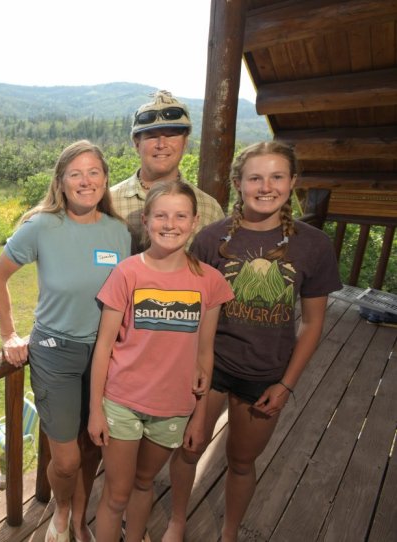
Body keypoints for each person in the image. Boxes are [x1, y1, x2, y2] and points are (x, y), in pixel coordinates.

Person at [163, 141, 342, 542]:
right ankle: (177, 520)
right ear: (239, 184)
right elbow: (192, 311)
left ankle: (229, 533)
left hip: (266, 373)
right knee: (189, 448)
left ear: (292, 182)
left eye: (277, 176)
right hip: (211, 367)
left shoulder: (314, 246)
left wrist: (285, 384)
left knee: (242, 461)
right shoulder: (210, 240)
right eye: (255, 177)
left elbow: (312, 323)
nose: (266, 186)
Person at [0, 140, 131, 542]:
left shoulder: (118, 232)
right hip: (55, 352)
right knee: (67, 460)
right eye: (76, 173)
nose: (85, 181)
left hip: (107, 354)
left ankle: (79, 518)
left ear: (105, 179)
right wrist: (9, 335)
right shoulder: (41, 226)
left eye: (93, 172)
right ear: (62, 182)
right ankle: (63, 506)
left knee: (92, 447)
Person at [87, 180, 233, 541]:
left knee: (144, 483)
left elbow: (205, 353)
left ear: (195, 221)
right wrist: (95, 410)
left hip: (173, 407)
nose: (171, 224)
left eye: (181, 215)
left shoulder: (210, 281)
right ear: (147, 221)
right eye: (161, 215)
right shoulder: (127, 273)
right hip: (122, 402)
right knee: (117, 493)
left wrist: (200, 418)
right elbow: (104, 345)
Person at [110, 90, 224, 254]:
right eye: (151, 136)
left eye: (171, 135)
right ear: (136, 143)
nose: (161, 144)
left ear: (185, 142)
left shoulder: (209, 209)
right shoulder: (109, 203)